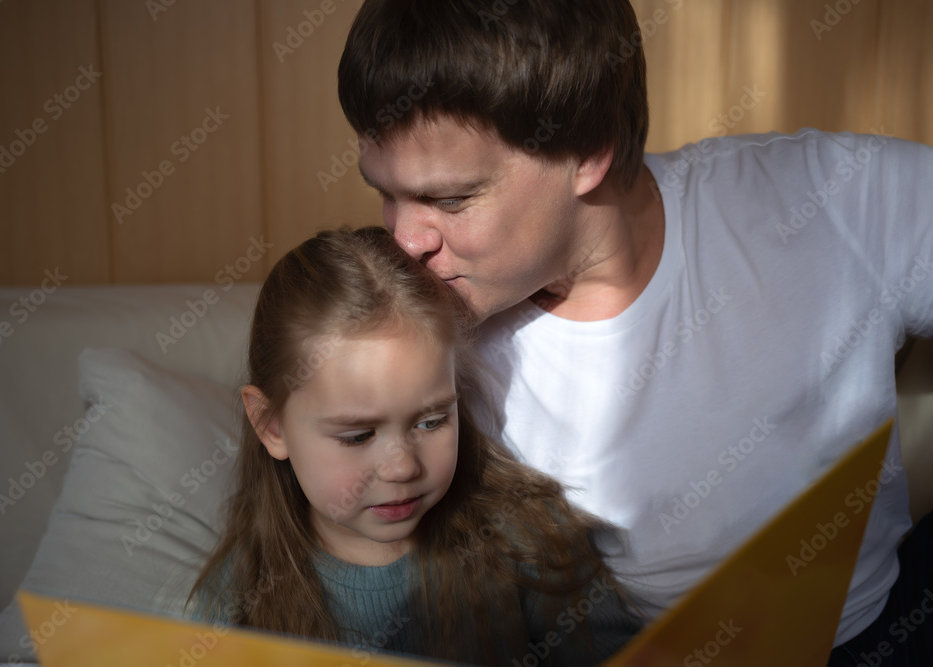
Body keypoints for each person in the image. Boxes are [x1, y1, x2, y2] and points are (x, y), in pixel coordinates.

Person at [336, 1, 933, 665]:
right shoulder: (418, 325)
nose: (404, 240)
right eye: (386, 192)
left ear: (587, 151)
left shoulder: (829, 201)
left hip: (880, 627)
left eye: (449, 199)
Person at [188, 226, 641, 665]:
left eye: (431, 421)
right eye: (358, 436)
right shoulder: (240, 599)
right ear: (272, 426)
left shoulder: (530, 544)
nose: (402, 467)